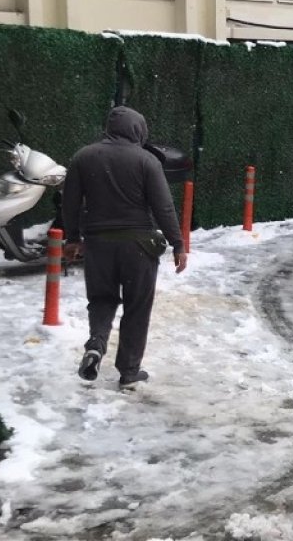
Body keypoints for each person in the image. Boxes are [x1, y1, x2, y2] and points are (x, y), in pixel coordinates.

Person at [63, 106, 188, 390]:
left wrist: (72, 239)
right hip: (138, 247)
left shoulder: (83, 157)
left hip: (97, 245)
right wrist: (178, 243)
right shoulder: (146, 161)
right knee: (137, 306)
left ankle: (96, 343)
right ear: (138, 130)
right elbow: (163, 206)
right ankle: (129, 369)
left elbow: (69, 202)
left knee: (102, 299)